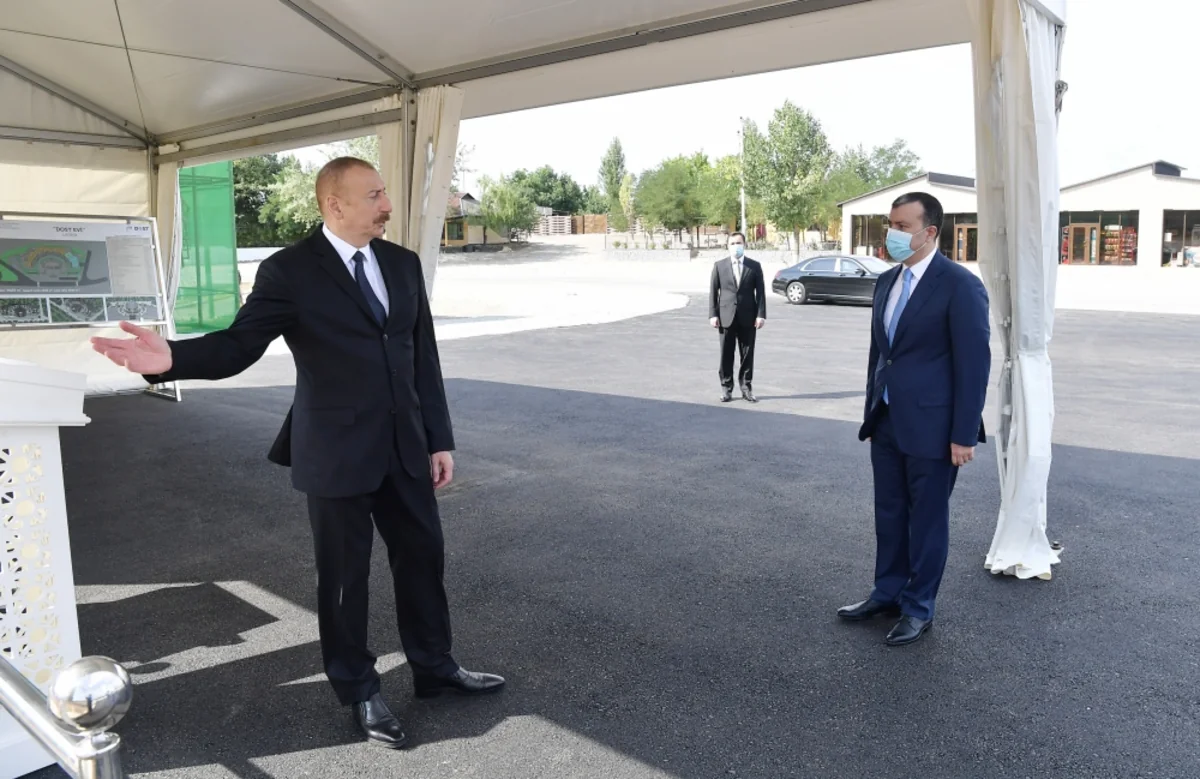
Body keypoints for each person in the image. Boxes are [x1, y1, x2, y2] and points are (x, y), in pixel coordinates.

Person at [91, 157, 504, 749]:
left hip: (406, 447)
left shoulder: (402, 264)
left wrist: (439, 438)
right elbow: (239, 344)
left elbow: (423, 358)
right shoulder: (289, 271)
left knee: (422, 560)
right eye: (374, 195)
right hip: (335, 452)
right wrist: (173, 359)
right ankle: (358, 689)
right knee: (344, 579)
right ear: (335, 205)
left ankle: (435, 668)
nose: (387, 205)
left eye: (384, 192)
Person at [838, 192, 990, 647]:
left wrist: (964, 434)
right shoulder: (887, 281)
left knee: (926, 521)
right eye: (891, 224)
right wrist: (872, 410)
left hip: (935, 430)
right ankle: (887, 592)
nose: (893, 234)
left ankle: (918, 606)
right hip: (886, 421)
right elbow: (880, 355)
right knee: (889, 514)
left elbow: (973, 366)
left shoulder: (959, 285)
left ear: (929, 232)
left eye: (903, 226)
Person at [708, 232, 766, 403]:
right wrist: (713, 314)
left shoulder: (754, 266)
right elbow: (713, 292)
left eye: (738, 243)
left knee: (747, 355)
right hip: (725, 317)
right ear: (728, 246)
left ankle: (746, 388)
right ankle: (726, 389)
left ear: (744, 244)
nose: (735, 246)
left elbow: (760, 293)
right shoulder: (719, 266)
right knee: (726, 354)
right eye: (732, 243)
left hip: (748, 317)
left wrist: (761, 315)